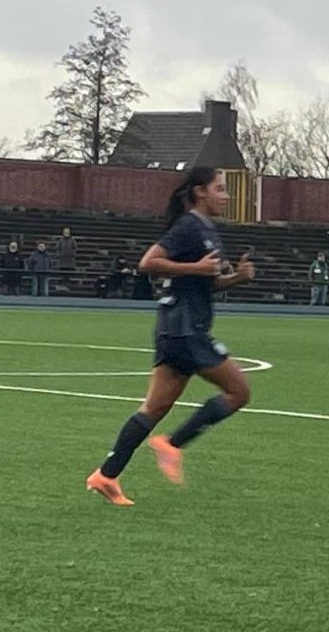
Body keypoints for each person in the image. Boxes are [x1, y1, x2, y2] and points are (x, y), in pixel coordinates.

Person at [85, 167, 258, 505]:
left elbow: (207, 282)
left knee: (154, 407)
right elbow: (148, 263)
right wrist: (195, 268)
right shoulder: (188, 226)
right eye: (220, 189)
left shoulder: (207, 230)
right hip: (184, 329)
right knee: (239, 392)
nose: (226, 196)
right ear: (199, 192)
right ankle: (171, 445)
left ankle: (106, 475)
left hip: (175, 328)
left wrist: (237, 278)